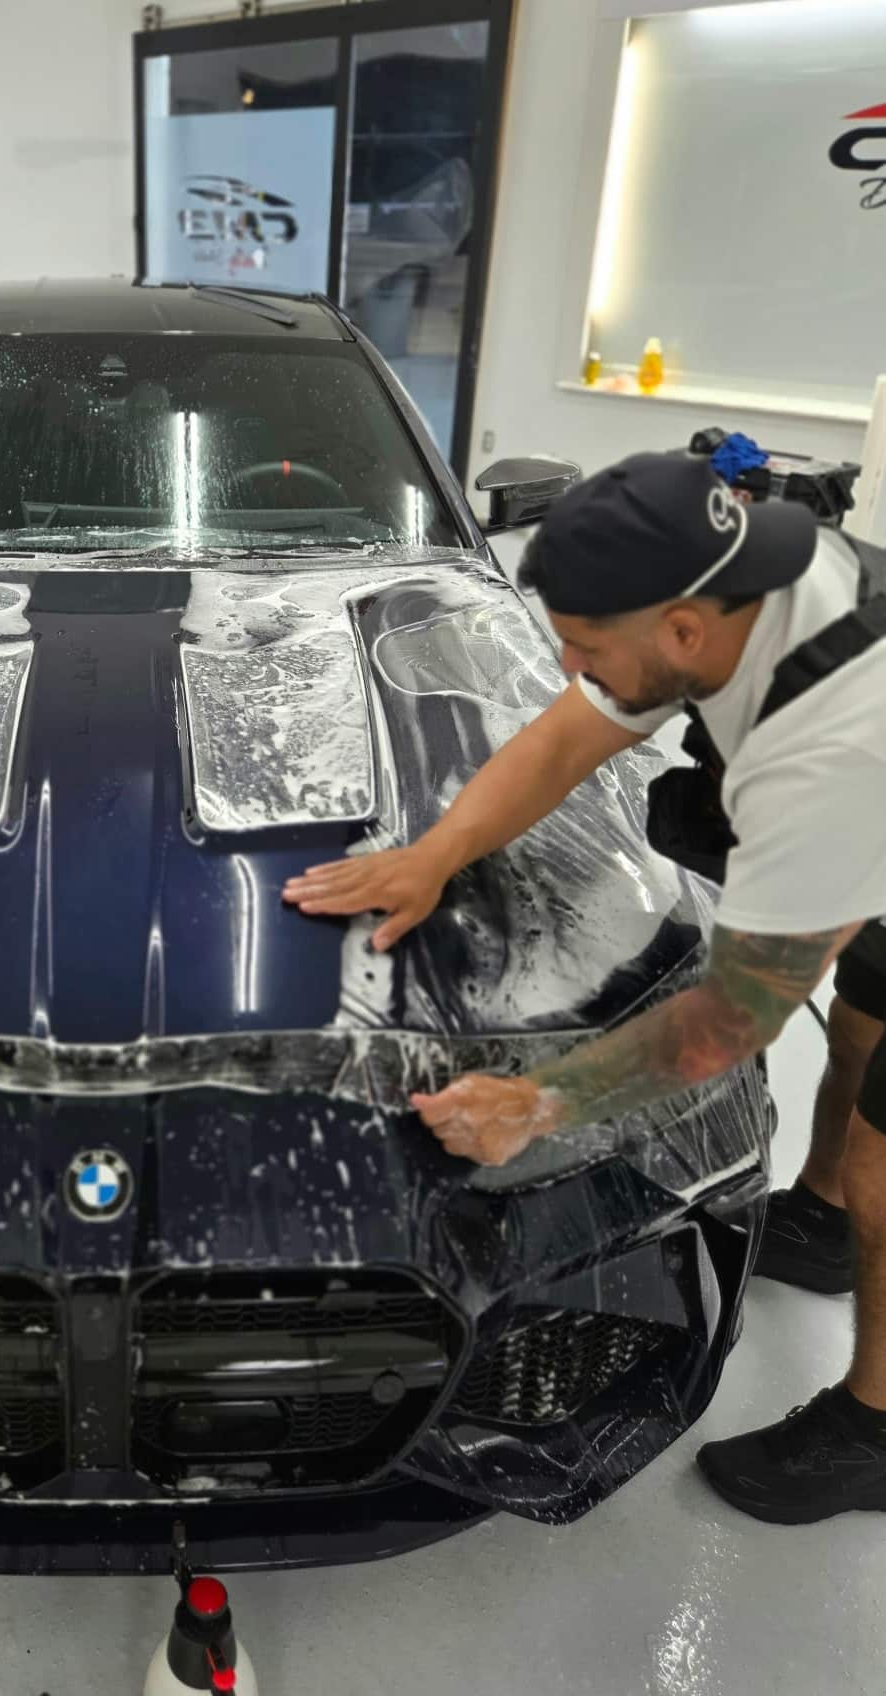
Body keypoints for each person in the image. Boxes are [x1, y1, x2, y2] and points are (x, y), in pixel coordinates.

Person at [284, 451, 886, 1525]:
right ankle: (826, 1221)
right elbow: (565, 738)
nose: (569, 664)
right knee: (858, 1029)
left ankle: (873, 1430)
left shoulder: (833, 739)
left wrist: (538, 1101)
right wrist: (434, 853)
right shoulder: (727, 579)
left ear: (684, 633)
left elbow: (736, 1015)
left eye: (589, 648)